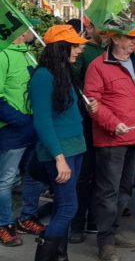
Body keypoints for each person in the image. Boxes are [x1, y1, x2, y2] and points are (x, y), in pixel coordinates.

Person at [84, 29, 135, 261]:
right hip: (111, 139)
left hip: (134, 136)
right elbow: (92, 102)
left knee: (124, 189)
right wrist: (113, 124)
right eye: (130, 38)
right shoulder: (98, 65)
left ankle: (112, 233)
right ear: (115, 39)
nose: (134, 42)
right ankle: (105, 242)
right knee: (108, 191)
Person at [29, 26, 94, 260]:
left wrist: (88, 107)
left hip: (75, 148)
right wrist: (59, 158)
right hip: (61, 152)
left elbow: (65, 113)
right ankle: (45, 256)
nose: (80, 49)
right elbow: (43, 122)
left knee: (62, 206)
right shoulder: (43, 77)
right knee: (68, 208)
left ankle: (60, 255)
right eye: (75, 45)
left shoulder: (64, 72)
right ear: (60, 48)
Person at [0, 24, 45, 247]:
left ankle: (27, 217)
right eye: (30, 27)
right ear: (19, 31)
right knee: (6, 180)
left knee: (33, 175)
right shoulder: (3, 56)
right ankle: (4, 224)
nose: (34, 31)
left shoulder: (29, 54)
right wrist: (20, 120)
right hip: (13, 131)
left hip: (31, 129)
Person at [69, 17, 107, 244]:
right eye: (102, 26)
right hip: (86, 122)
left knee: (104, 176)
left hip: (108, 123)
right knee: (84, 175)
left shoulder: (111, 51)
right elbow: (73, 81)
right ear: (91, 27)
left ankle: (96, 217)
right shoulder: (84, 51)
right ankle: (77, 223)